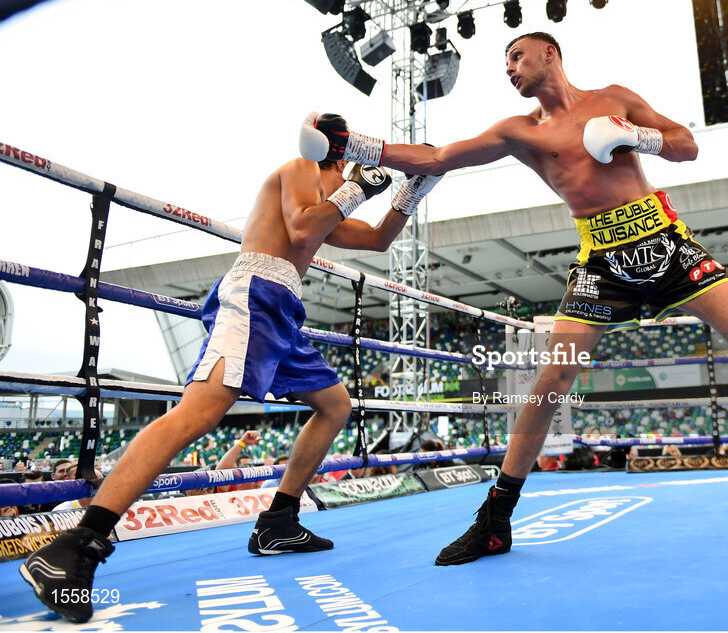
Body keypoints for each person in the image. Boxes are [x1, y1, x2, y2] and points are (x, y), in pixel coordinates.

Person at [299, 32, 728, 567]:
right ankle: (495, 521)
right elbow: (436, 158)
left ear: (550, 53)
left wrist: (634, 136)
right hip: (601, 259)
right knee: (552, 379)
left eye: (516, 57)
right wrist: (351, 145)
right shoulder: (519, 130)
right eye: (505, 63)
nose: (509, 69)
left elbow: (686, 145)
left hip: (666, 240)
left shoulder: (614, 99)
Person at [20, 115, 442, 623]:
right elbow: (303, 225)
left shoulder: (332, 194)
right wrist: (357, 187)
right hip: (256, 293)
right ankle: (75, 544)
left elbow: (376, 241)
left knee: (334, 406)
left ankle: (279, 520)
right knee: (196, 416)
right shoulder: (301, 168)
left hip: (283, 306)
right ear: (341, 148)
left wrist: (410, 194)